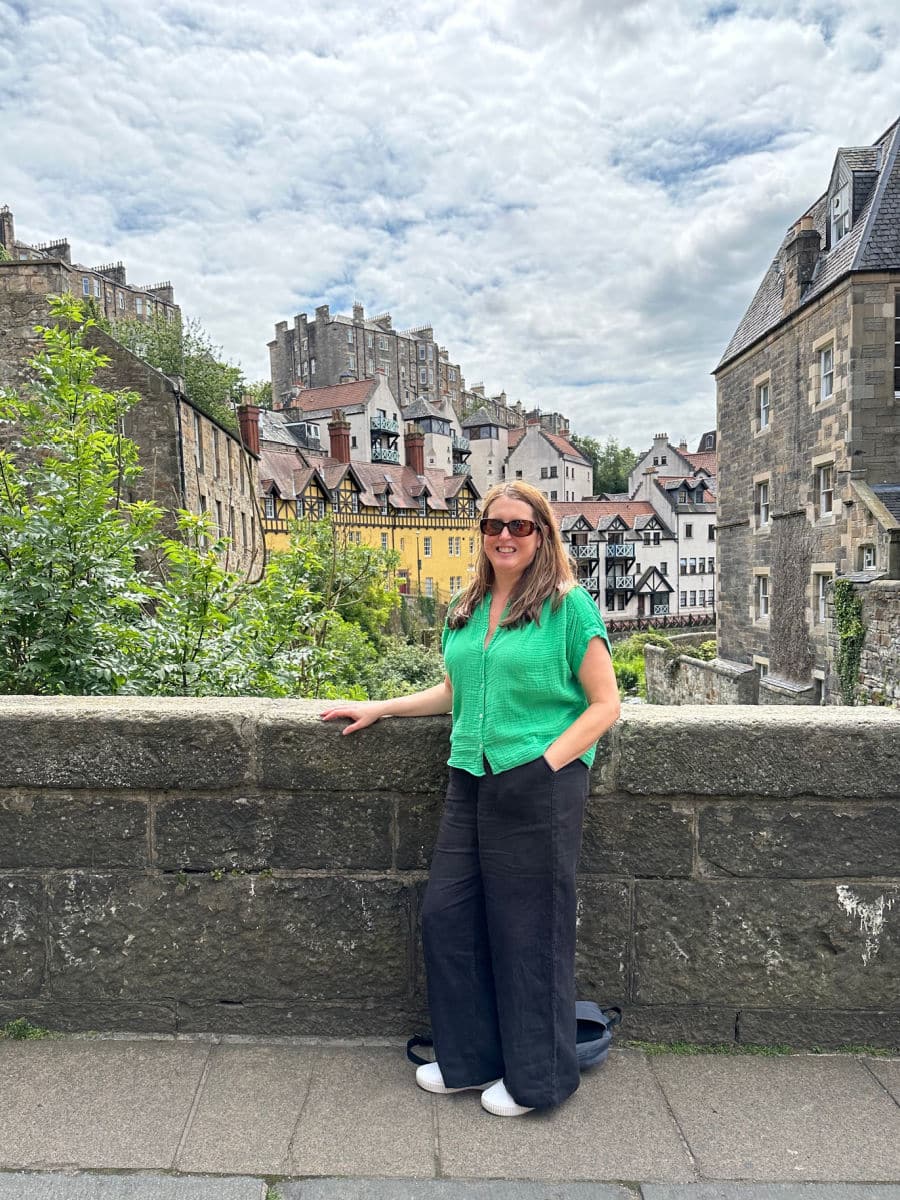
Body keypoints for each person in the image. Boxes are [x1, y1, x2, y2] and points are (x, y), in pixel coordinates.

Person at [322, 481, 620, 1116]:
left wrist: (543, 766)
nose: (505, 536)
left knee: (529, 931)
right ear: (481, 534)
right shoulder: (470, 604)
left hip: (541, 779)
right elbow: (457, 691)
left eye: (520, 526)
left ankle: (540, 1080)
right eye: (494, 526)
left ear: (542, 534)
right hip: (470, 773)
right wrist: (382, 707)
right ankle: (472, 1058)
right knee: (448, 917)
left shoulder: (569, 606)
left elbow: (605, 705)